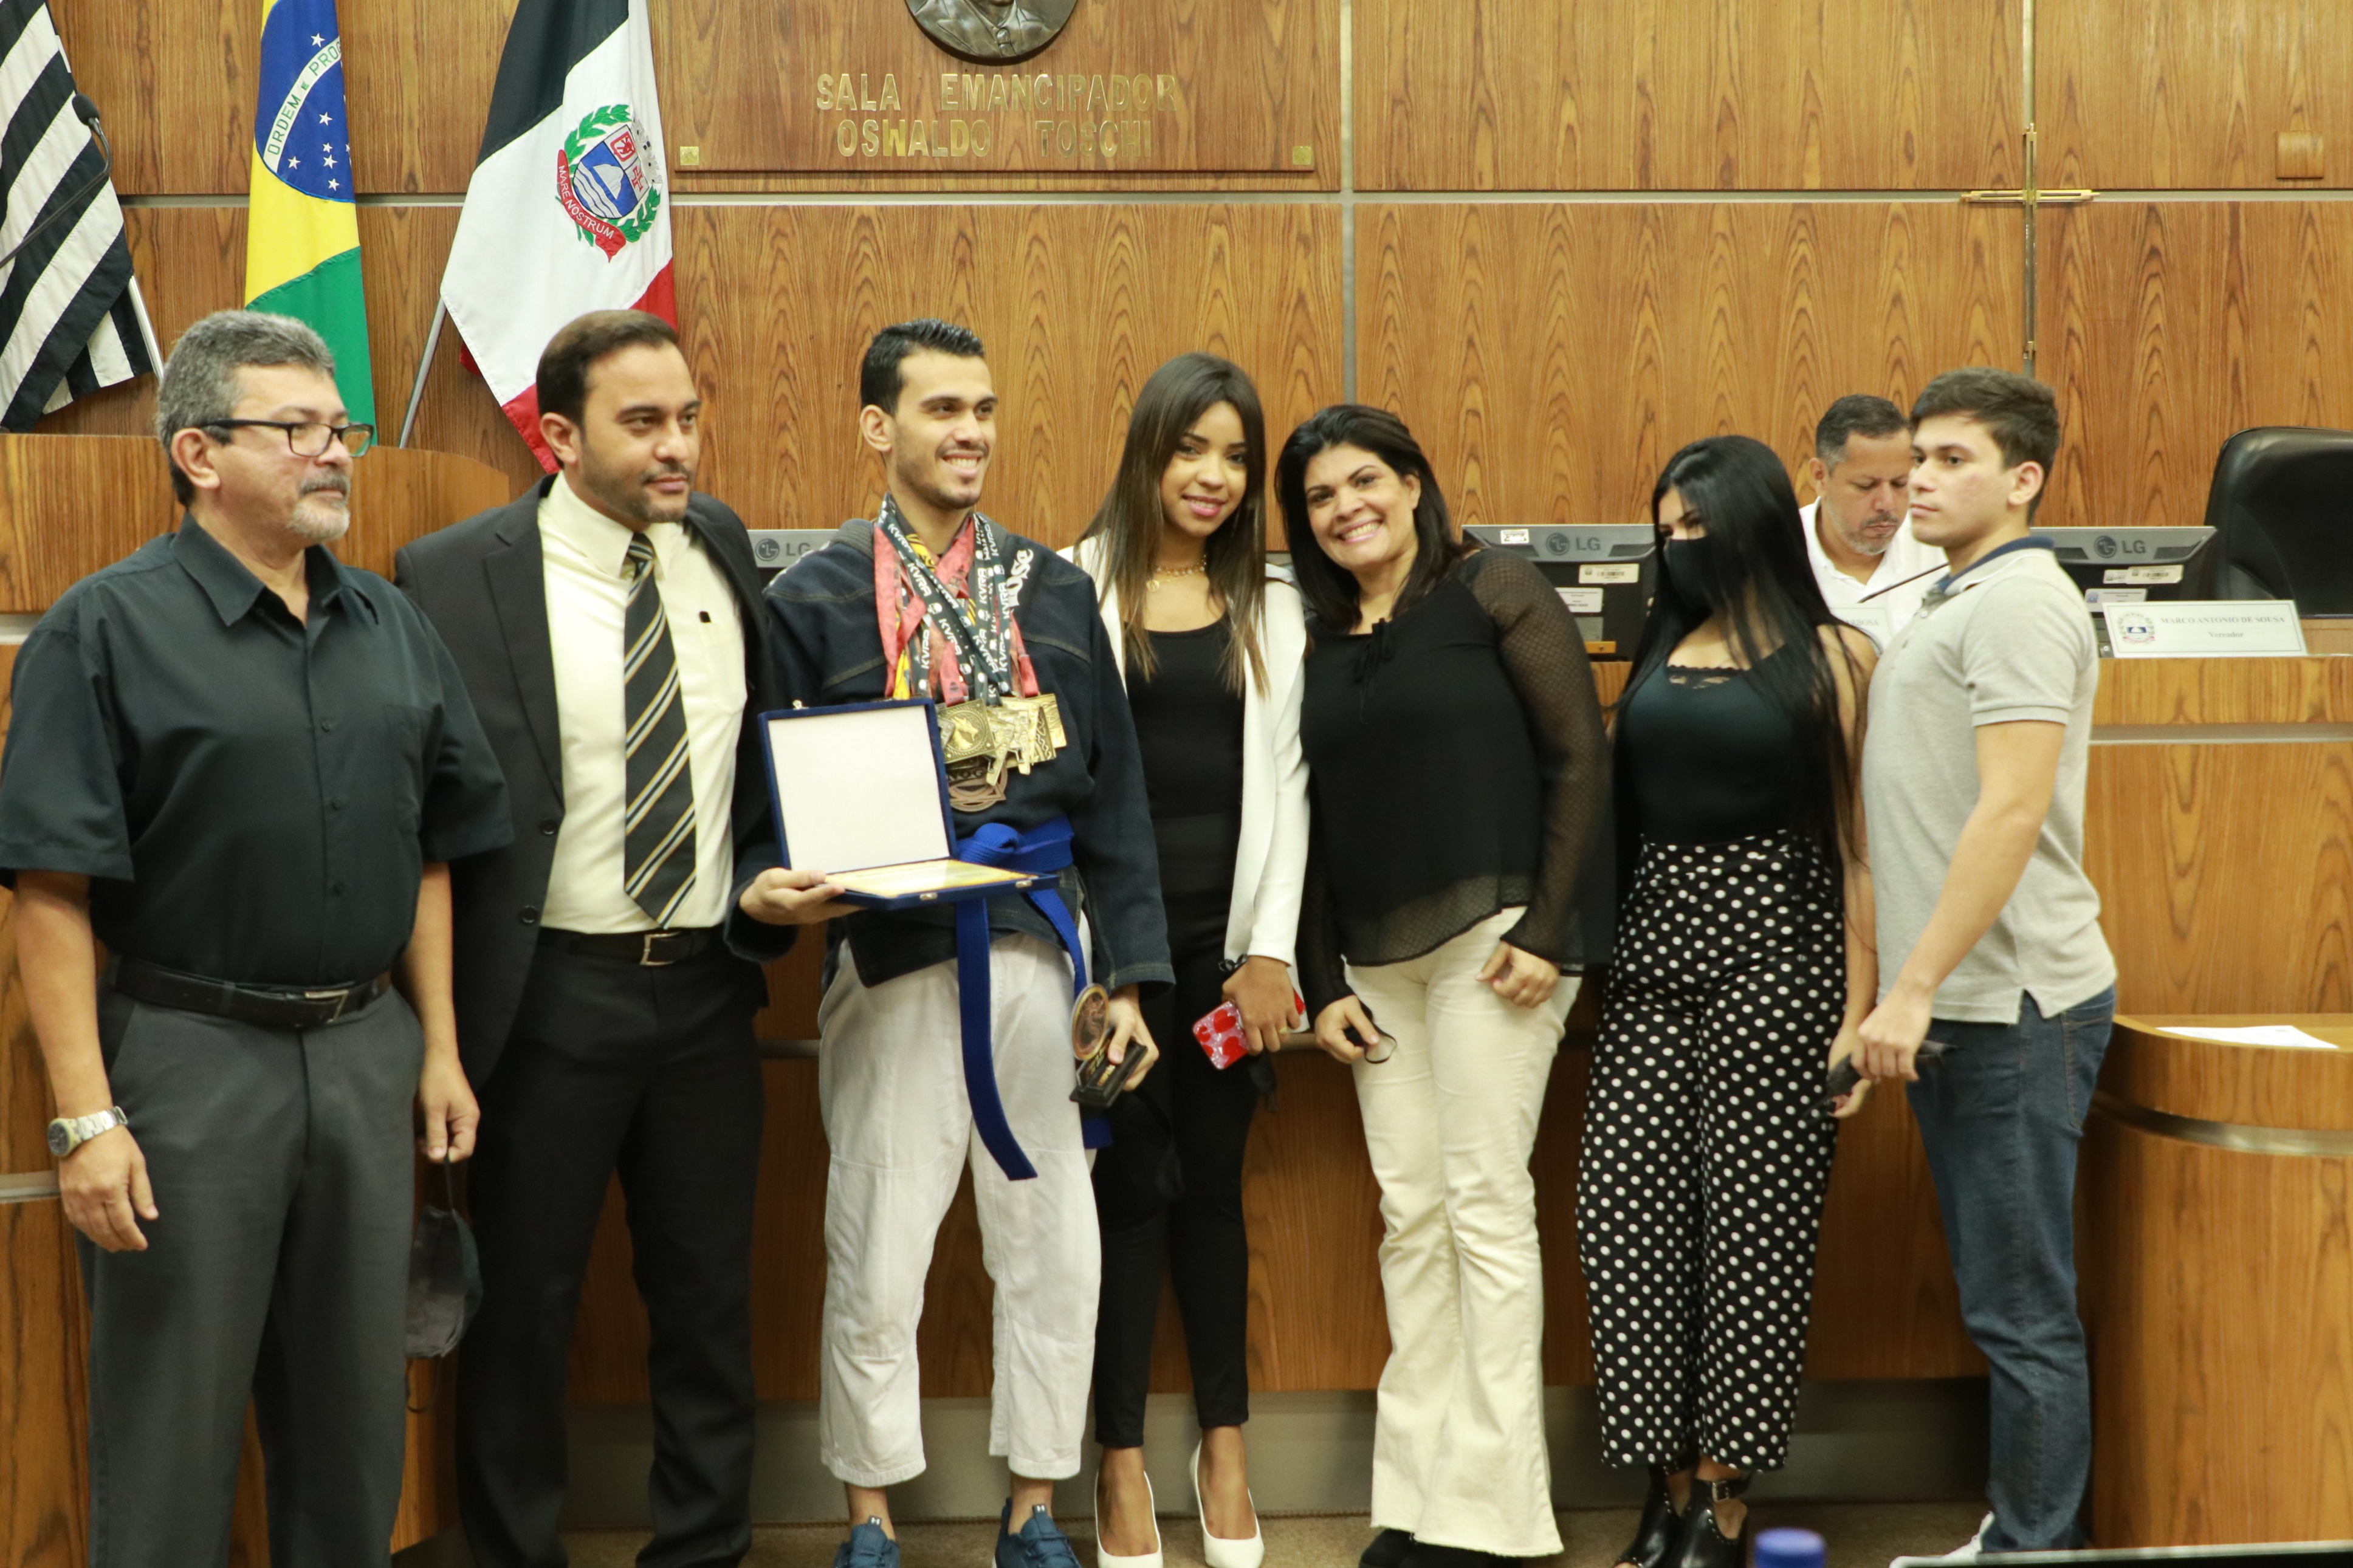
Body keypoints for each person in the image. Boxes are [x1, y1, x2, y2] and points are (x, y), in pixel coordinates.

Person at [0, 310, 511, 1568]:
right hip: (187, 1062)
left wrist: (439, 1050)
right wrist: (85, 1119)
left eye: (340, 429)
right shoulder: (101, 629)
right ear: (199, 454)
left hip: (365, 1054)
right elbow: (49, 891)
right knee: (170, 1437)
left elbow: (433, 848)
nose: (333, 452)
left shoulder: (392, 624)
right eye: (296, 430)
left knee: (354, 1435)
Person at [397, 309, 842, 1568]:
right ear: (558, 436)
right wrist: (437, 1036)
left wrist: (760, 883)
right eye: (642, 423)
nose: (677, 447)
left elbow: (749, 775)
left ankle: (703, 1550)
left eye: (687, 418)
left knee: (708, 1304)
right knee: (524, 1313)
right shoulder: (452, 575)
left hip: (705, 995)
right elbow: (424, 816)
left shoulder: (719, 545)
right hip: (545, 1000)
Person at [766, 318, 1172, 1568]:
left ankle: (1034, 1506)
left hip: (1039, 950)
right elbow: (766, 791)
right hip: (888, 952)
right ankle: (870, 1519)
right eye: (942, 409)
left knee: (1053, 1246)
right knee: (877, 1241)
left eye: (983, 409)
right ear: (876, 426)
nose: (970, 432)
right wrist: (774, 886)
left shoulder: (1053, 590)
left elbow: (1115, 801)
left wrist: (1131, 978)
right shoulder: (813, 596)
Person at [1285, 405, 1612, 1568]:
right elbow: (1301, 819)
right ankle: (1416, 1499)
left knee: (1481, 1208)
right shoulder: (1314, 633)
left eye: (1364, 480)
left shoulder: (1494, 590)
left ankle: (1492, 1517)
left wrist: (1549, 929)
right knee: (1411, 1218)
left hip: (1496, 947)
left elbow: (1579, 758)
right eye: (1320, 496)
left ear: (1415, 484)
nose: (1346, 508)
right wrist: (1318, 978)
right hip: (1375, 968)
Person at [1578, 435, 1878, 1568]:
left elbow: (1861, 850)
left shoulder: (1836, 654)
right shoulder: (1665, 643)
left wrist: (1858, 1015)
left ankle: (1721, 1497)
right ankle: (1662, 1483)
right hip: (1652, 952)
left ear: (1752, 523)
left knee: (1753, 1227)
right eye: (1666, 529)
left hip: (1780, 951)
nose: (1678, 546)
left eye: (1697, 526)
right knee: (1622, 1212)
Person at [1855, 369, 2115, 1558]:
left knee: (2022, 1311)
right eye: (1919, 456)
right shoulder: (1958, 592)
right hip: (1966, 1000)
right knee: (2002, 1298)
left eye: (1951, 459)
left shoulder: (2018, 603)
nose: (1918, 477)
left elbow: (2009, 813)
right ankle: (2020, 1531)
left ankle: (2033, 1549)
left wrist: (1910, 990)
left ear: (2023, 479)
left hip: (2011, 1003)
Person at [1067, 352, 1310, 1568]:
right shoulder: (1072, 583)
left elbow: (1294, 791)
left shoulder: (1274, 602)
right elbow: (1057, 786)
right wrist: (1094, 967)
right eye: (1190, 450)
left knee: (1212, 1191)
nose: (1212, 476)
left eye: (1234, 456)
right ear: (1147, 453)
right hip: (1116, 949)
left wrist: (1270, 953)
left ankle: (1225, 1449)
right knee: (1121, 1196)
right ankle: (1117, 1462)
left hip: (1229, 956)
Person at [1800, 394, 1943, 648]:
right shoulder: (1773, 552)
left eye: (1900, 484)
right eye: (1866, 486)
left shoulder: (1941, 548)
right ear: (1821, 477)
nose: (1887, 504)